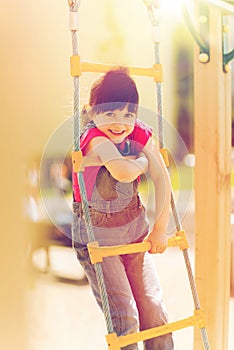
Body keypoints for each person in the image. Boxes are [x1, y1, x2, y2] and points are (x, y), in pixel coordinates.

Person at [72, 67, 174, 349]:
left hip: (134, 230)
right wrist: (143, 160)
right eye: (110, 114)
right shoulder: (93, 138)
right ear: (92, 113)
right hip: (97, 236)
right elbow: (123, 172)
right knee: (125, 317)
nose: (119, 123)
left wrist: (160, 229)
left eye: (128, 114)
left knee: (153, 311)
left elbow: (162, 177)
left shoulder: (139, 132)